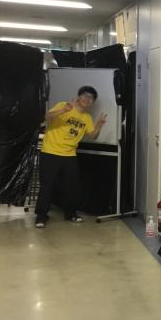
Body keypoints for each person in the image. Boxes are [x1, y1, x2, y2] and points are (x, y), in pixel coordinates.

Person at [35, 86, 108, 228]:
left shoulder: (87, 117)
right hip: (50, 151)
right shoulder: (64, 105)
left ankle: (70, 213)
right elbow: (46, 117)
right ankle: (41, 216)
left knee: (71, 187)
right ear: (79, 96)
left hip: (69, 155)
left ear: (92, 102)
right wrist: (64, 110)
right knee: (47, 186)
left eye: (91, 98)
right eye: (85, 95)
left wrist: (99, 125)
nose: (88, 99)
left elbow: (92, 136)